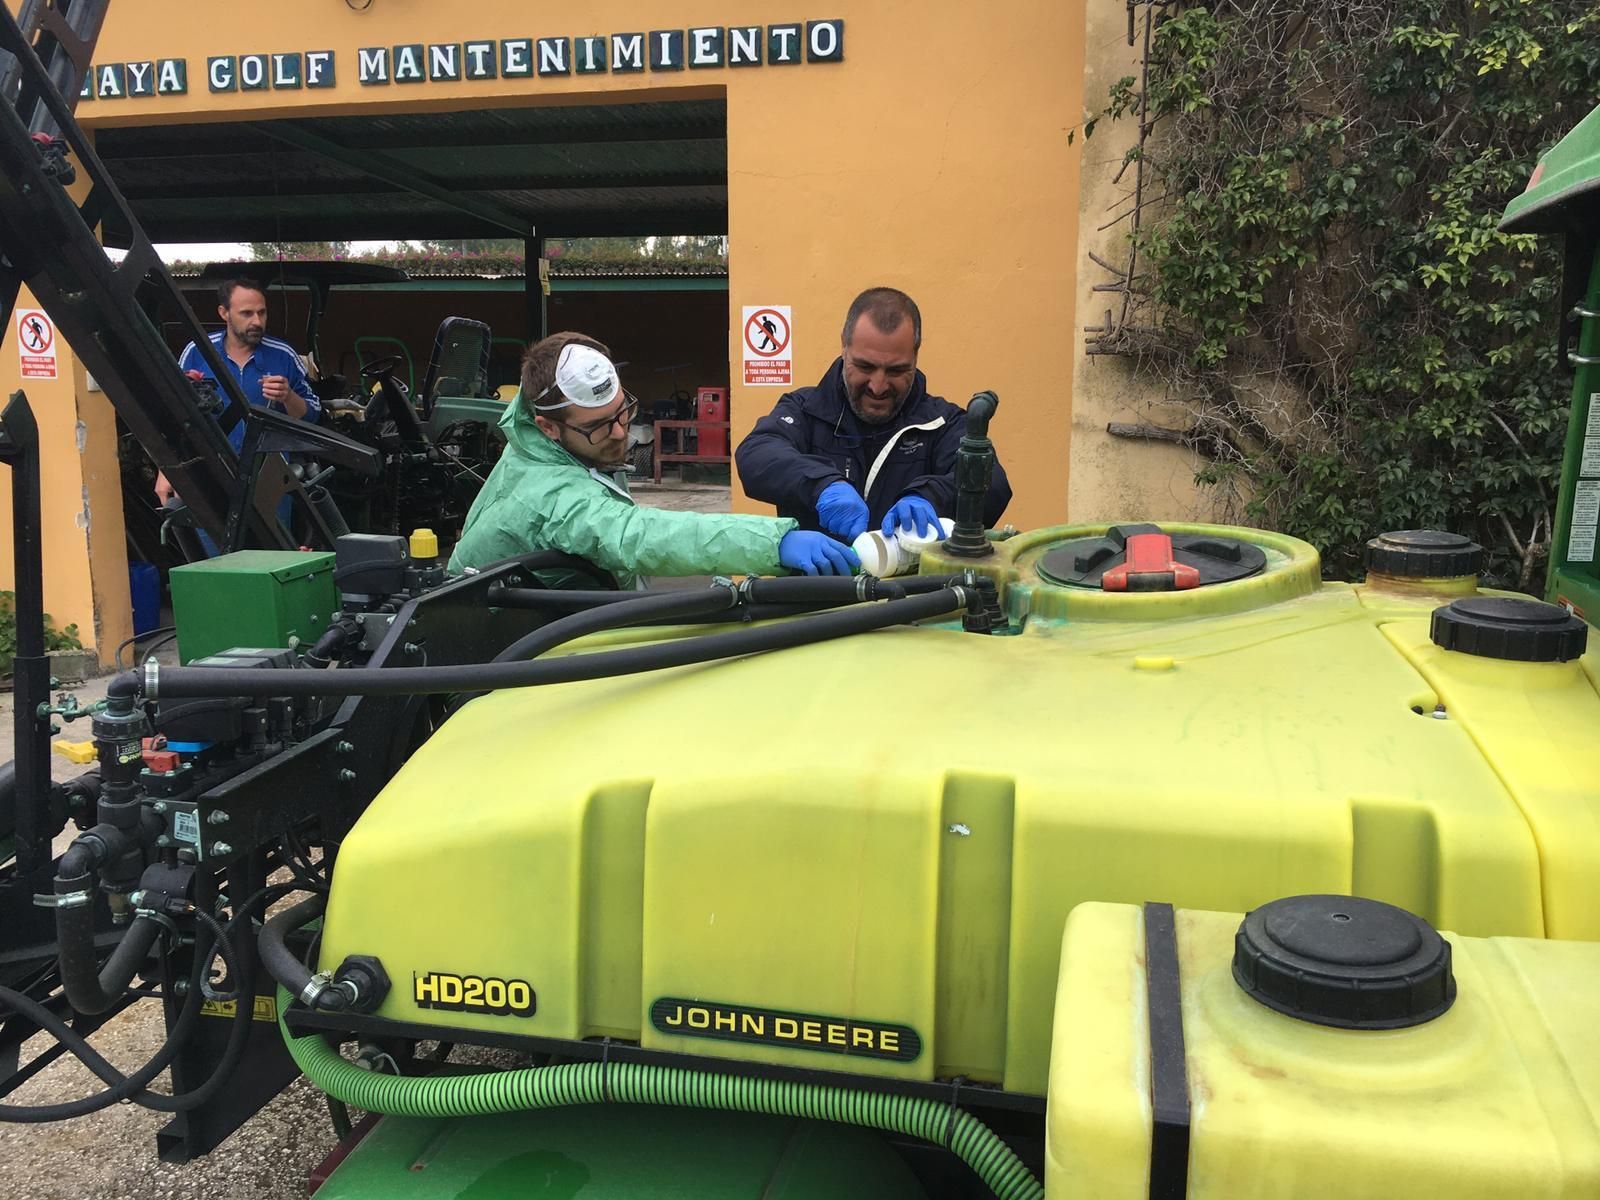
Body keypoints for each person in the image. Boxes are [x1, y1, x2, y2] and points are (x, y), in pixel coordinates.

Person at [447, 332, 857, 584]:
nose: (622, 433)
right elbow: (637, 536)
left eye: (623, 411)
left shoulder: (540, 443)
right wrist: (774, 543)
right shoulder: (551, 497)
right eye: (598, 427)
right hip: (502, 664)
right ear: (548, 426)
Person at [735, 287, 1012, 543]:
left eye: (896, 371)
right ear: (844, 346)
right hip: (815, 592)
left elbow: (993, 483)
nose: (878, 386)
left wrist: (931, 498)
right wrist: (821, 485)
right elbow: (756, 455)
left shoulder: (943, 423)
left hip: (915, 595)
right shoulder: (803, 409)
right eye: (865, 366)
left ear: (915, 358)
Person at [152, 277, 322, 507]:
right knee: (211, 541)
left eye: (262, 313)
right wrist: (167, 469)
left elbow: (313, 415)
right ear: (224, 313)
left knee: (268, 543)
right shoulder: (197, 351)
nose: (257, 321)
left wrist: (288, 396)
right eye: (247, 313)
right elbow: (174, 414)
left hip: (270, 479)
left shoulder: (284, 354)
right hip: (209, 474)